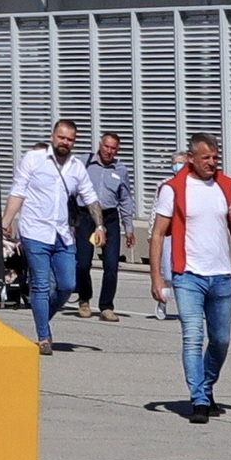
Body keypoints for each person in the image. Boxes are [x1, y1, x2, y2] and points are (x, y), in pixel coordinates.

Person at [149, 132, 231, 420]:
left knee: (221, 340)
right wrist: (157, 278)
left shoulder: (226, 186)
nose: (212, 163)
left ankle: (206, 384)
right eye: (205, 158)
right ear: (191, 158)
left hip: (220, 274)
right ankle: (199, 399)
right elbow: (156, 235)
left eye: (215, 157)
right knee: (193, 337)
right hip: (188, 275)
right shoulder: (173, 189)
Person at [8, 119, 86, 353]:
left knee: (67, 284)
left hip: (62, 234)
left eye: (70, 139)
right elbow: (18, 191)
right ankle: (44, 336)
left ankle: (42, 316)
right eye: (61, 137)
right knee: (41, 284)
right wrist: (6, 221)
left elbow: (89, 196)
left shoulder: (76, 166)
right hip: (34, 231)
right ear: (53, 136)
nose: (65, 142)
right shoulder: (34, 159)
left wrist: (100, 226)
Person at [79, 132, 132, 321]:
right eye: (106, 146)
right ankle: (84, 299)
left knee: (111, 265)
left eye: (113, 148)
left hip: (110, 217)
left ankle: (106, 306)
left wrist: (129, 227)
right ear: (100, 145)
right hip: (85, 217)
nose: (109, 151)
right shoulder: (84, 163)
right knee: (83, 263)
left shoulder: (120, 170)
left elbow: (125, 199)